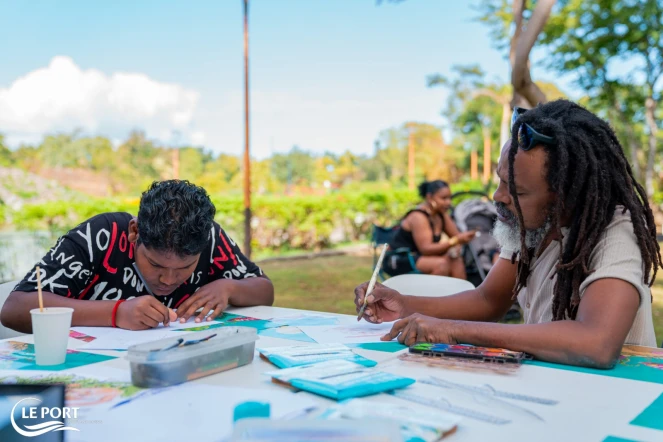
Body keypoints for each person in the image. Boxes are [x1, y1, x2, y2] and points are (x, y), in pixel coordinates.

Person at [355, 100, 661, 368]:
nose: (498, 196)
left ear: (563, 198)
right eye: (502, 180)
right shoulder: (530, 225)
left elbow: (597, 343)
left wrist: (452, 329)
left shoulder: (612, 228)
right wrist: (404, 303)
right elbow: (488, 299)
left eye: (516, 191)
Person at [1, 180, 274, 333]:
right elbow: (15, 308)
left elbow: (264, 290)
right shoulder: (100, 236)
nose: (168, 279)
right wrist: (115, 312)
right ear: (134, 232)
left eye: (185, 267)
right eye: (155, 264)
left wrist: (228, 287)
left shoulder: (209, 237)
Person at [383, 180, 476, 278]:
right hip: (399, 258)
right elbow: (426, 249)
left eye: (449, 198)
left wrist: (456, 247)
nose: (448, 202)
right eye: (443, 198)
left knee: (456, 260)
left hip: (419, 257)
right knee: (441, 265)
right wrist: (454, 242)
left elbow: (457, 237)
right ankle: (431, 293)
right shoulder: (418, 216)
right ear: (429, 197)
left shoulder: (441, 215)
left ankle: (462, 293)